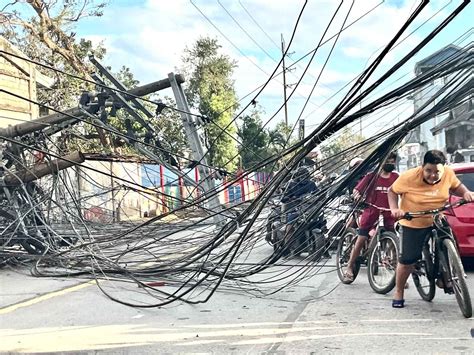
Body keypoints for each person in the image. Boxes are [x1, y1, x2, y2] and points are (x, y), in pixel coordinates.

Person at [388, 150, 474, 308]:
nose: (432, 175)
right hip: (413, 220)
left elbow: (457, 186)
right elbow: (392, 191)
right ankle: (399, 291)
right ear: (422, 167)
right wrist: (395, 209)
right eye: (428, 171)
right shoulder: (409, 176)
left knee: (450, 242)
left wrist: (466, 193)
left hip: (436, 216)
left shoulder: (448, 173)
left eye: (437, 172)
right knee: (408, 260)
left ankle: (446, 276)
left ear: (444, 168)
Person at [343, 152, 399, 283]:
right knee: (361, 238)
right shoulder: (371, 176)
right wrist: (357, 195)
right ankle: (350, 266)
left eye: (392, 161)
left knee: (394, 241)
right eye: (388, 160)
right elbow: (357, 190)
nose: (390, 163)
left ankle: (396, 272)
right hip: (371, 211)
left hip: (388, 213)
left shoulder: (396, 177)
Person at [281, 166, 318, 254]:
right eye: (301, 175)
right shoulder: (291, 184)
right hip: (294, 209)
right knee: (289, 228)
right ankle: (287, 248)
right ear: (297, 176)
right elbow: (283, 198)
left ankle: (324, 247)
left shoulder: (311, 184)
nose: (304, 177)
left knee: (320, 223)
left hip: (309, 209)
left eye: (305, 175)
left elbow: (318, 193)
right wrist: (291, 198)